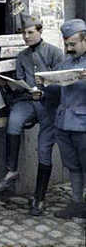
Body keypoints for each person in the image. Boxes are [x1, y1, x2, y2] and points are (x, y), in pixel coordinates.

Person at [0, 13, 64, 216]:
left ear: (40, 31)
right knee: (13, 122)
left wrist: (44, 92)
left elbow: (60, 82)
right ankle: (11, 170)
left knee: (44, 148)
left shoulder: (55, 53)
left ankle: (39, 198)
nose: (26, 37)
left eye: (30, 32)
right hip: (28, 101)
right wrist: (12, 85)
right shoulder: (22, 56)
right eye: (23, 33)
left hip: (49, 104)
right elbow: (20, 81)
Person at [44, 19, 86, 219]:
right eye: (66, 44)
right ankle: (77, 203)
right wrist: (43, 86)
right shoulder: (65, 63)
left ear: (84, 40)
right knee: (73, 166)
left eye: (73, 44)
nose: (68, 48)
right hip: (63, 124)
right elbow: (57, 89)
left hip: (83, 126)